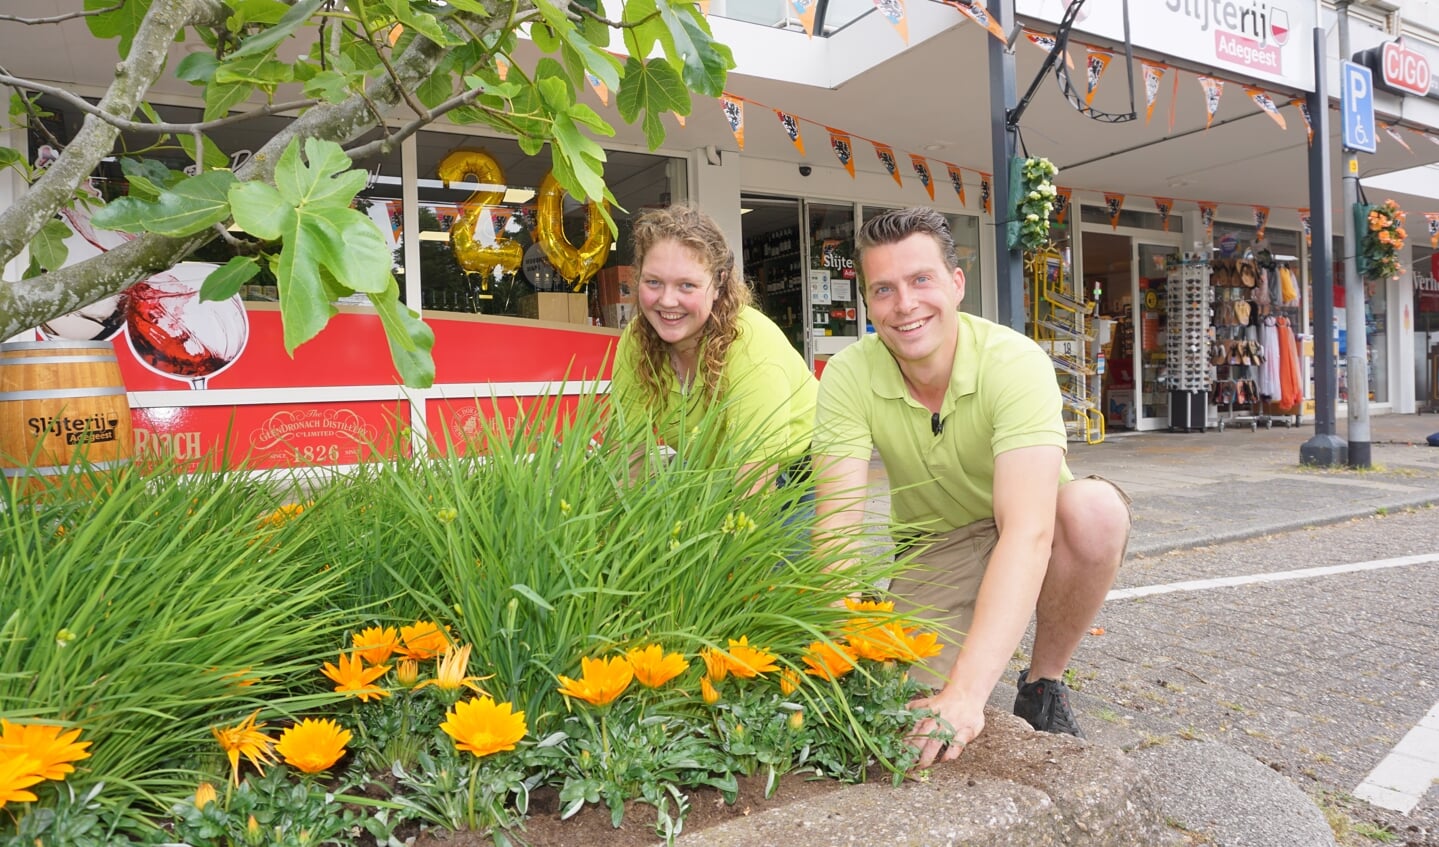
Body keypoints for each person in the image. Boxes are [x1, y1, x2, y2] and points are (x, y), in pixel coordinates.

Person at [811, 207, 1129, 768]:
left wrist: (968, 694)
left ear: (956, 284)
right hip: (936, 543)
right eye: (883, 289)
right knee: (905, 703)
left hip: (1032, 523)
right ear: (867, 302)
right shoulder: (846, 374)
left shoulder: (1015, 362)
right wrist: (833, 657)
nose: (904, 305)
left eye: (920, 280)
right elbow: (834, 527)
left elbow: (1027, 533)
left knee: (1096, 510)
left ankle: (1042, 684)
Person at [608, 205, 816, 495]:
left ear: (718, 284)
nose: (667, 301)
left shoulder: (749, 342)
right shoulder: (636, 340)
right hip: (713, 469)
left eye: (687, 285)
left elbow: (753, 484)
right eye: (653, 282)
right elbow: (629, 454)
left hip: (799, 473)